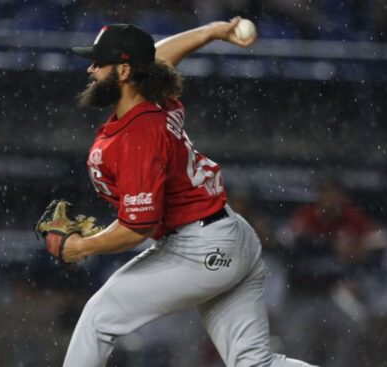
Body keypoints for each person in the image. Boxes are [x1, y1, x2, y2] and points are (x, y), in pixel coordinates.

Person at [50, 17, 315, 367]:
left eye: (100, 63)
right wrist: (212, 31)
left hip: (200, 248)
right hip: (230, 235)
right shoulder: (154, 97)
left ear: (125, 71)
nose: (91, 69)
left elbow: (138, 227)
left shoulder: (138, 136)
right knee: (255, 364)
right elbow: (161, 55)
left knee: (99, 318)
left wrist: (82, 246)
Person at [277, 177, 385, 367]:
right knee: (296, 345)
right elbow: (291, 242)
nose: (330, 199)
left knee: (353, 325)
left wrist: (360, 245)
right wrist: (332, 246)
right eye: (326, 194)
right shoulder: (306, 216)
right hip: (301, 294)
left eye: (335, 194)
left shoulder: (351, 218)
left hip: (331, 292)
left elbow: (380, 240)